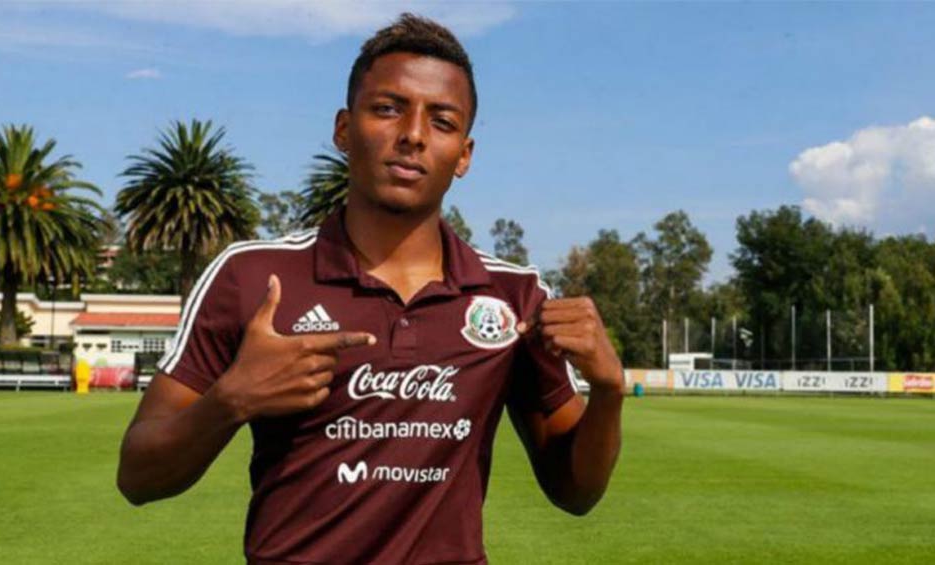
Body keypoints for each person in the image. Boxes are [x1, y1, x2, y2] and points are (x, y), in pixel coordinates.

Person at [117, 13, 623, 564]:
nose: (412, 135)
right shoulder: (253, 277)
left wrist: (609, 392)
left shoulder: (515, 296)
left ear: (465, 156)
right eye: (387, 108)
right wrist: (231, 401)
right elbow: (138, 477)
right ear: (342, 128)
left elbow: (575, 492)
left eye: (442, 121)